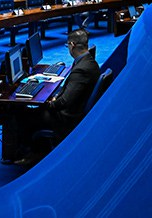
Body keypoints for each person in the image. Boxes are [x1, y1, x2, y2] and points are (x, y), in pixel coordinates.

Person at [12, 28, 101, 165]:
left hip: (67, 118)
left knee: (22, 112)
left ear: (71, 45)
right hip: (75, 109)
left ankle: (32, 154)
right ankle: (39, 149)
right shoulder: (89, 61)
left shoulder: (82, 69)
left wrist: (49, 104)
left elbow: (65, 101)